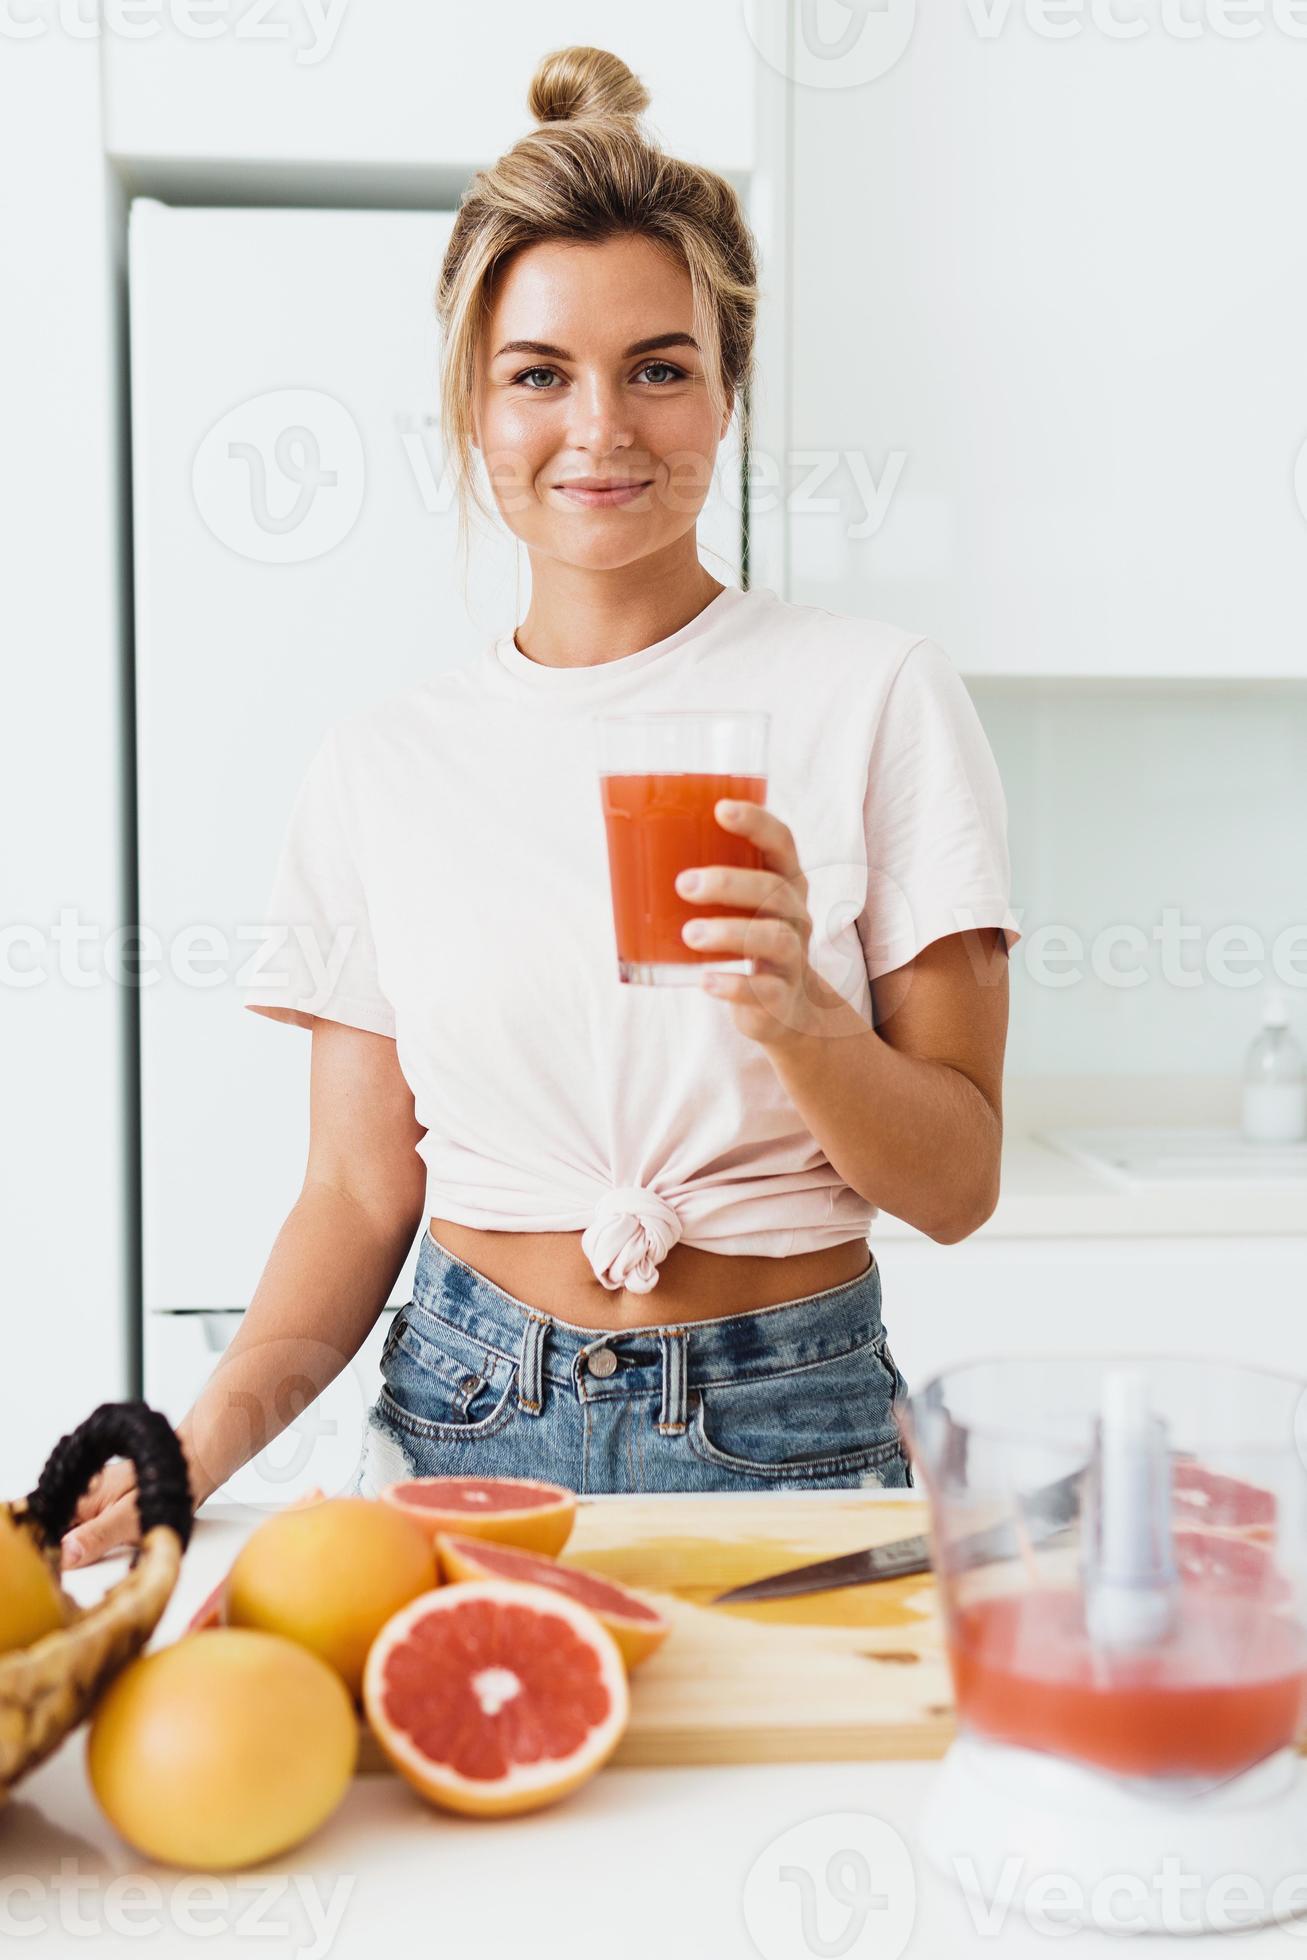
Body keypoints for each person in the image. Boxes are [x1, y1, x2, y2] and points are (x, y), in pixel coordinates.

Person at [63, 44, 1020, 1565]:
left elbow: (959, 1183)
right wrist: (197, 1438)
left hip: (785, 1424)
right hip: (458, 1414)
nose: (602, 428)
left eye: (660, 366)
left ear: (728, 393)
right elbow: (357, 1192)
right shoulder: (382, 762)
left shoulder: (876, 695)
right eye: (538, 374)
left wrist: (802, 1018)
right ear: (470, 406)